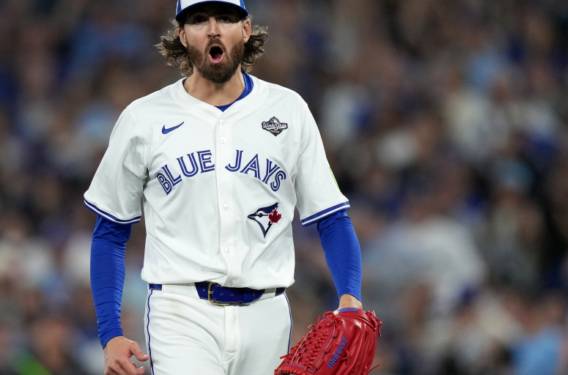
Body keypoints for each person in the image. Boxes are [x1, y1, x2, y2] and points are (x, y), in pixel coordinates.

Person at [84, 1, 364, 374]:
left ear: (245, 29)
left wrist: (350, 295)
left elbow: (331, 218)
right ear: (182, 35)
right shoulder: (144, 118)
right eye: (199, 19)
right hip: (181, 313)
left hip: (268, 314)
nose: (213, 29)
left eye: (225, 18)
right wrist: (110, 333)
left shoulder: (288, 109)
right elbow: (110, 233)